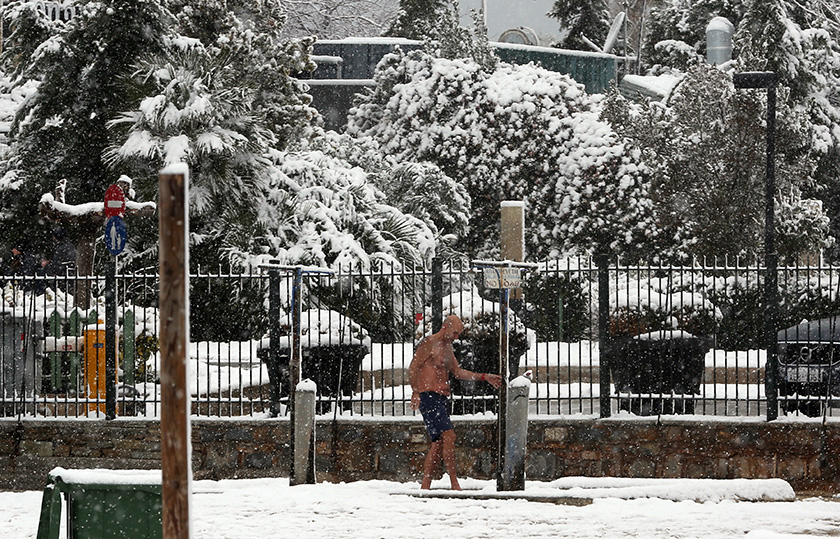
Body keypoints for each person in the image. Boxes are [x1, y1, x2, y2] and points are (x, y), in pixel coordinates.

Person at [409, 314, 503, 490]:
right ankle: (454, 483)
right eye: (454, 333)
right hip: (428, 396)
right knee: (449, 436)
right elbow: (413, 367)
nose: (456, 337)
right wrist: (415, 392)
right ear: (445, 327)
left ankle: (425, 485)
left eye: (458, 334)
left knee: (437, 443)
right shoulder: (429, 343)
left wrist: (484, 377)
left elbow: (458, 372)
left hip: (440, 398)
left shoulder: (447, 348)